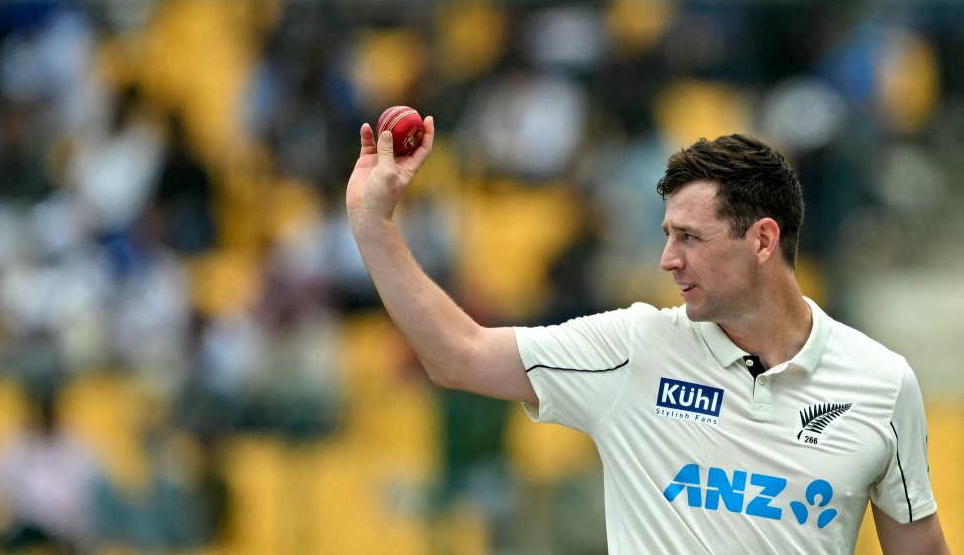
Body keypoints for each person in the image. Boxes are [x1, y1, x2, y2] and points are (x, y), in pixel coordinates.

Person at [346, 118, 952, 555]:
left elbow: (918, 546)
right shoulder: (633, 349)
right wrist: (372, 224)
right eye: (667, 234)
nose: (667, 259)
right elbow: (459, 355)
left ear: (763, 241)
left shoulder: (882, 382)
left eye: (690, 237)